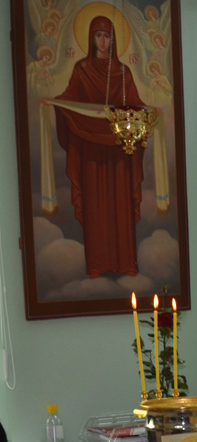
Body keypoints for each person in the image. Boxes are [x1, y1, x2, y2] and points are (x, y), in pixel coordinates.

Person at [53, 14, 146, 278]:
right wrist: (55, 103)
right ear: (91, 38)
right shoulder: (82, 70)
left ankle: (126, 262)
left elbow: (136, 106)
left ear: (113, 40)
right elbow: (70, 99)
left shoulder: (123, 73)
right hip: (90, 149)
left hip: (118, 151)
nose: (103, 41)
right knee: (96, 207)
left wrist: (149, 112)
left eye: (107, 36)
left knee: (120, 205)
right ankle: (96, 264)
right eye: (98, 35)